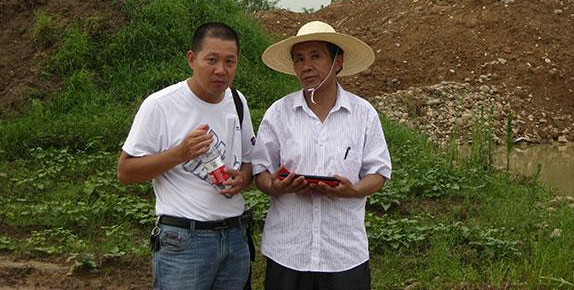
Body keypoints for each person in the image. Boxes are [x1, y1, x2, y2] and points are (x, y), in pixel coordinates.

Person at [252, 20, 392, 290]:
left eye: (315, 56)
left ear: (337, 62)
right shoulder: (278, 113)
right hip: (288, 253)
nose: (306, 66)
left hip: (343, 254)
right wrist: (276, 186)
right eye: (299, 59)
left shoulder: (363, 114)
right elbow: (261, 172)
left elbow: (379, 171)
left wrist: (354, 190)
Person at [117, 22, 255, 290]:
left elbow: (249, 161)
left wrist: (244, 178)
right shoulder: (161, 105)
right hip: (184, 242)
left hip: (235, 237)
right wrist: (180, 153)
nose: (221, 70)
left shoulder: (237, 101)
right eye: (211, 60)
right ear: (192, 59)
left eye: (230, 61)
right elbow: (125, 172)